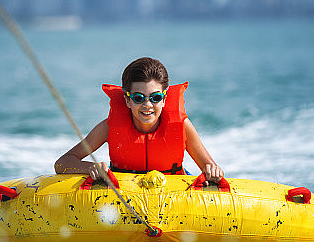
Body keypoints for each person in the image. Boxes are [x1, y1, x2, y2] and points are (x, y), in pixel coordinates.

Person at [54, 57, 224, 183]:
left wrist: (212, 171)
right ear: (127, 100)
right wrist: (91, 168)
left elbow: (212, 168)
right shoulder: (108, 128)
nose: (147, 105)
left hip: (172, 195)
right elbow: (62, 164)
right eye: (138, 98)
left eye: (155, 97)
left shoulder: (182, 127)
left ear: (164, 100)